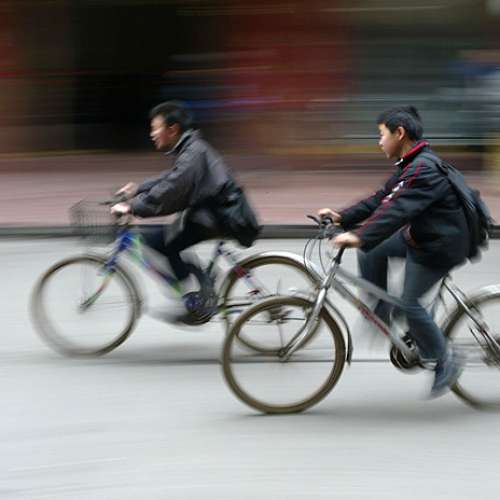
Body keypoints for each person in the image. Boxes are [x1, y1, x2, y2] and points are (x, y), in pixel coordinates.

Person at [318, 106, 467, 398]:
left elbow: (396, 211)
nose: (379, 142)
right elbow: (381, 200)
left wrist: (359, 235)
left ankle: (446, 361)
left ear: (400, 133)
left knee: (411, 305)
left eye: (381, 135)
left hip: (440, 245)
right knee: (371, 249)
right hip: (424, 235)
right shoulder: (411, 164)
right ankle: (383, 309)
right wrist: (342, 217)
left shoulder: (423, 170)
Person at [111, 100, 258, 321]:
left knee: (165, 241)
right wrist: (138, 188)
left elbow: (173, 187)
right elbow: (172, 178)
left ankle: (198, 298)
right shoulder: (190, 148)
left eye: (155, 128)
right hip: (214, 212)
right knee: (159, 240)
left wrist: (133, 207)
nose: (152, 134)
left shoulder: (193, 152)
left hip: (222, 216)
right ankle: (200, 287)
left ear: (173, 129)